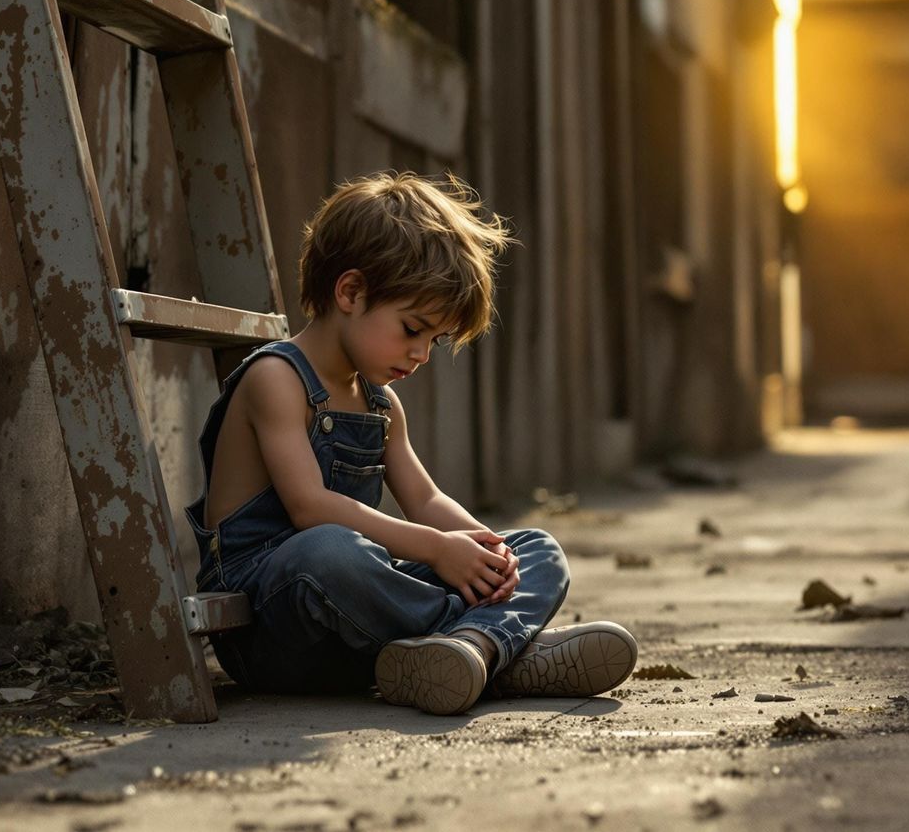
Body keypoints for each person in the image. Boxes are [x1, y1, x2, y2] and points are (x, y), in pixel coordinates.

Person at [185, 172, 638, 715]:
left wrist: (484, 550)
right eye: (412, 328)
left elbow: (425, 502)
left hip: (366, 628)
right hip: (269, 625)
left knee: (536, 548)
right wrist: (436, 550)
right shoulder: (275, 378)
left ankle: (462, 652)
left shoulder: (380, 404)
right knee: (329, 550)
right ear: (350, 292)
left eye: (435, 339)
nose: (422, 353)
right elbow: (309, 508)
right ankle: (499, 650)